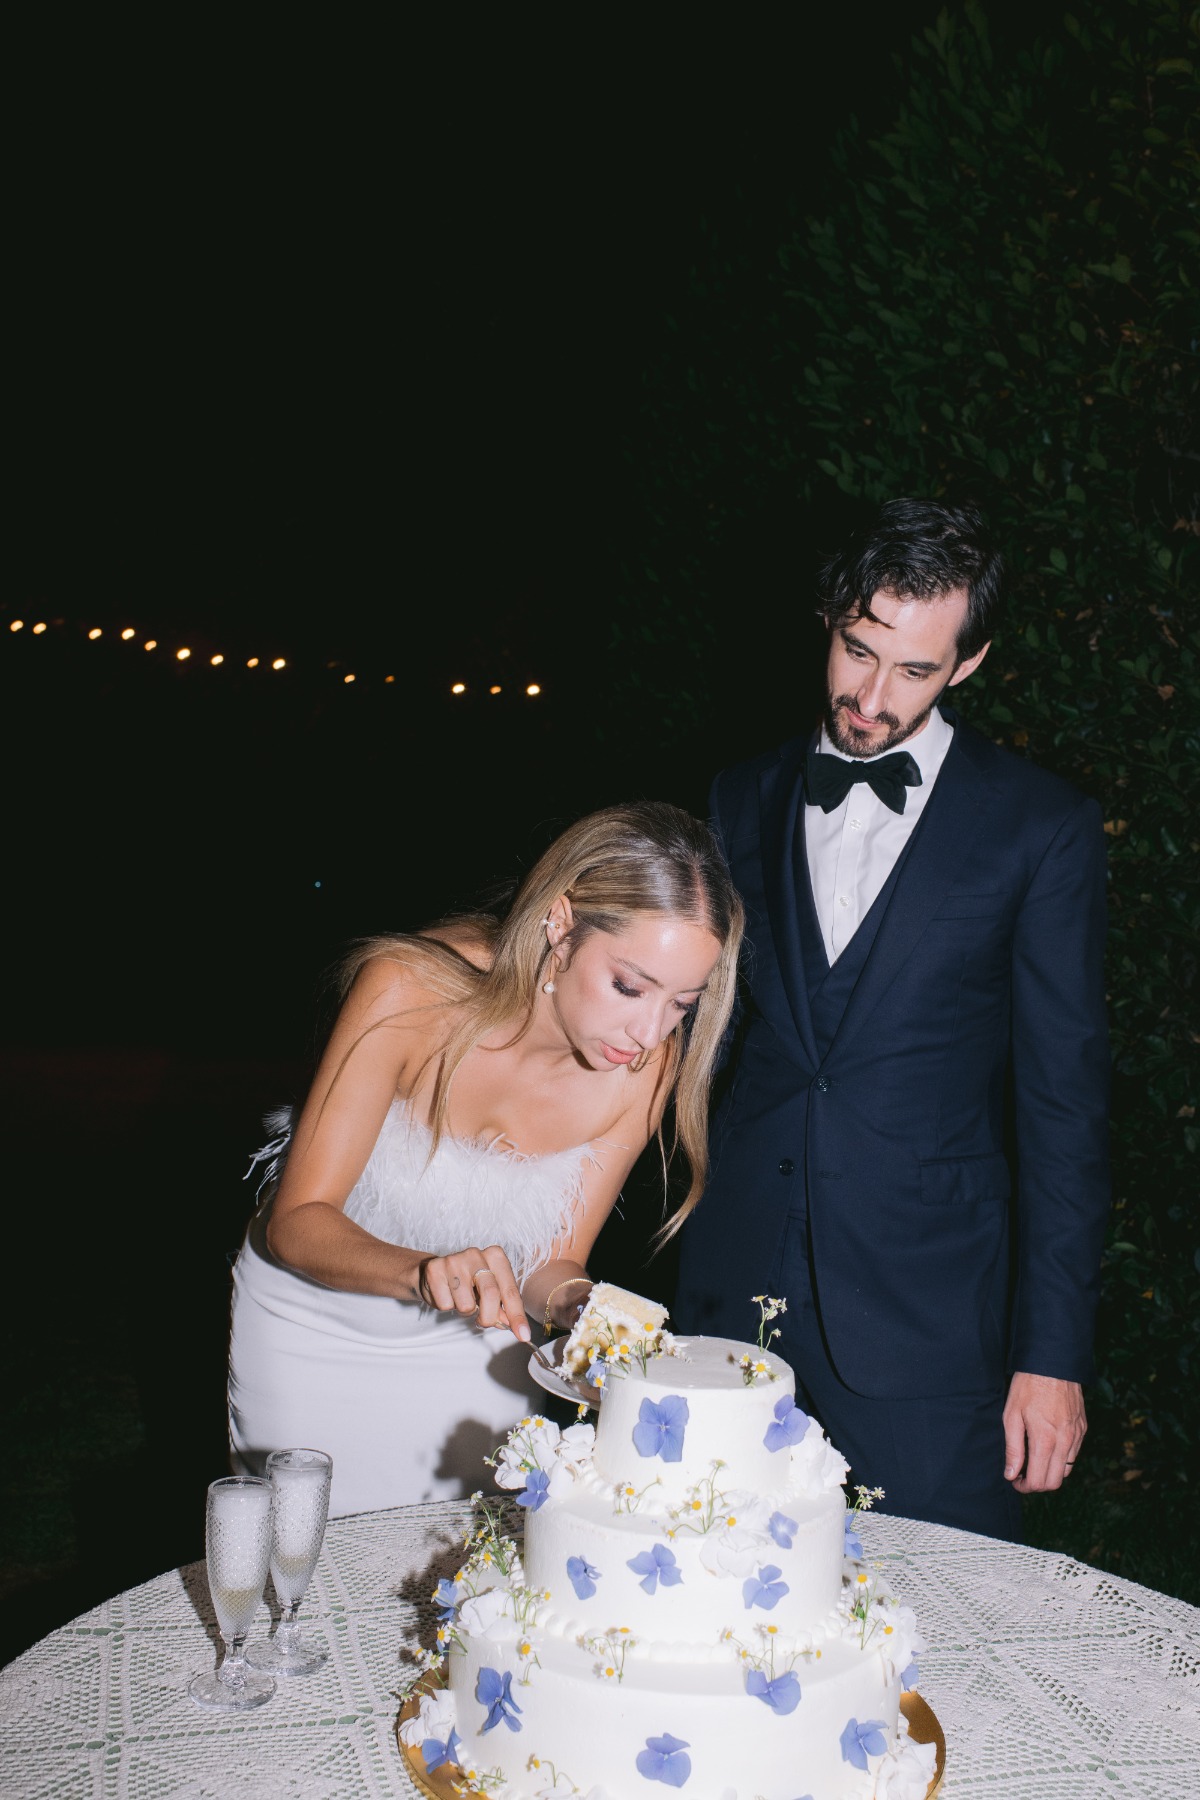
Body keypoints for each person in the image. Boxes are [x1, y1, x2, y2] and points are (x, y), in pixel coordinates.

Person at [675, 497, 1110, 1541]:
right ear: (829, 617)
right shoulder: (742, 794)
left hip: (927, 1326)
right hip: (728, 1295)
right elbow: (688, 1044)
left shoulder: (1040, 828)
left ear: (968, 664)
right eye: (857, 651)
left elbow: (1066, 1108)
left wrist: (1050, 1355)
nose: (870, 697)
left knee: (946, 1631)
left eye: (913, 670)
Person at [228, 801, 742, 1516]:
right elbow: (298, 1221)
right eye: (629, 986)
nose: (651, 1032)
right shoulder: (406, 991)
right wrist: (424, 1271)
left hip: (476, 1353)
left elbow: (551, 1263)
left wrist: (577, 1303)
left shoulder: (645, 1068)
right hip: (313, 1327)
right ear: (560, 923)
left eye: (682, 1004)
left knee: (454, 1567)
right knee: (308, 1556)